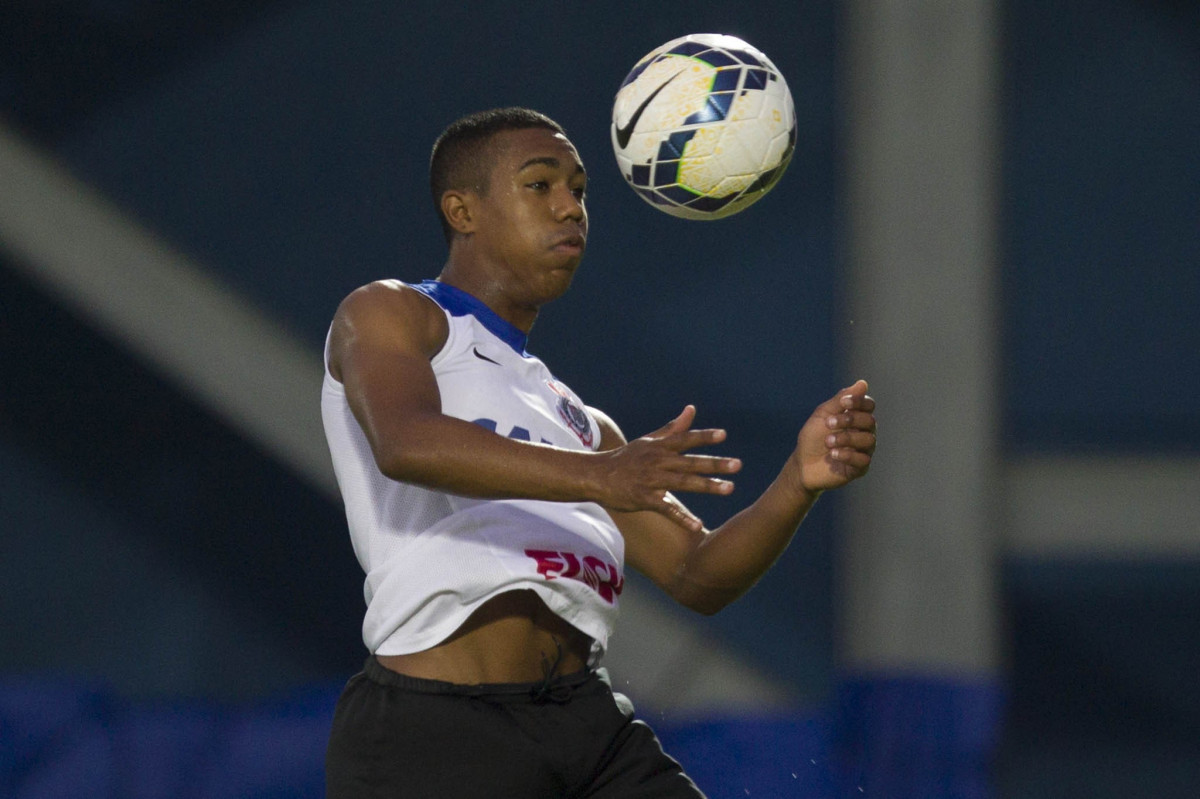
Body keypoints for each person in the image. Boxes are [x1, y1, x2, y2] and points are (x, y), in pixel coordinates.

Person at [321, 107, 876, 798]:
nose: (570, 207)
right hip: (438, 730)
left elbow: (698, 574)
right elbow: (404, 441)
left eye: (579, 190)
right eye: (540, 185)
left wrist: (800, 478)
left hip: (588, 728)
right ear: (463, 210)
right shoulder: (394, 313)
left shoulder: (583, 425)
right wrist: (605, 476)